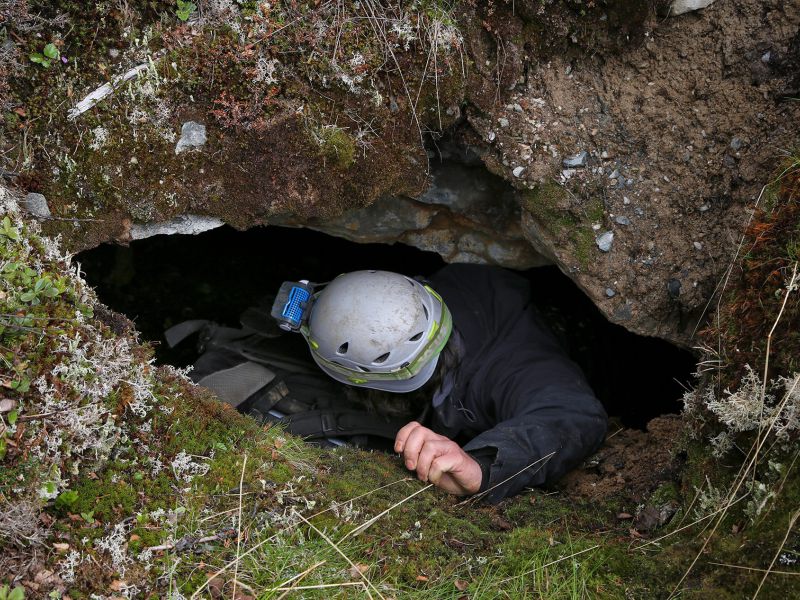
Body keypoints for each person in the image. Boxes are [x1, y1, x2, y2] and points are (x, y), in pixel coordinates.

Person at [270, 263, 608, 502]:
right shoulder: (417, 300)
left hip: (582, 347)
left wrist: (480, 466)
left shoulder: (508, 372)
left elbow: (574, 414)